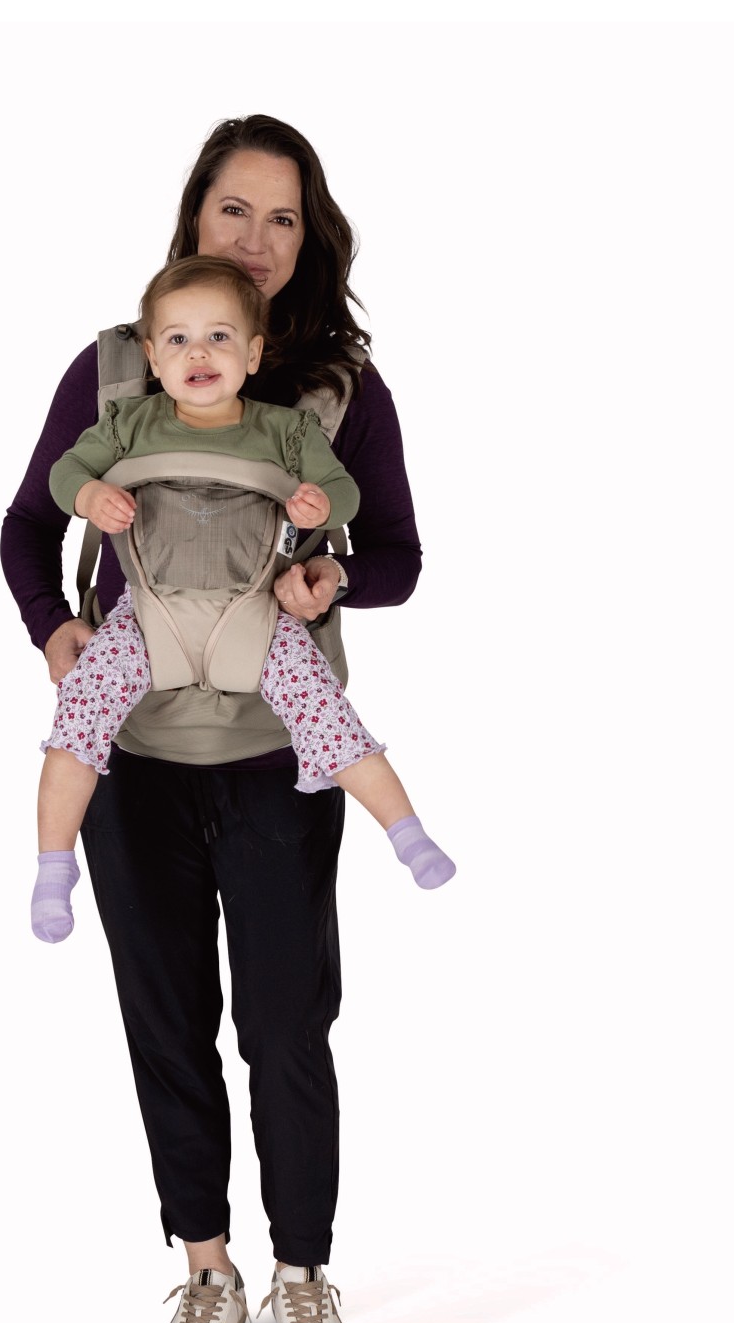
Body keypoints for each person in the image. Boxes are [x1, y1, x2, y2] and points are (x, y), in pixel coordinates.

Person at [1, 116, 429, 1323]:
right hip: (134, 756)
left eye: (283, 217)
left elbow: (397, 556)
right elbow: (28, 522)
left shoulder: (338, 393)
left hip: (275, 754)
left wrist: (328, 575)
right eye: (234, 209)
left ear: (311, 240)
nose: (255, 237)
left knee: (287, 1025)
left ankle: (302, 1276)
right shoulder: (118, 370)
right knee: (166, 1020)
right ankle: (206, 1271)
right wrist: (58, 630)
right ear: (196, 215)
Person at [32, 255, 454, 945]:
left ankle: (406, 833)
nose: (198, 353)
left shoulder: (285, 431)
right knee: (78, 716)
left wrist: (322, 502)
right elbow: (63, 473)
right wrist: (89, 495)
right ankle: (54, 868)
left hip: (255, 616)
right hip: (148, 618)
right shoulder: (128, 423)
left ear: (253, 354)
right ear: (152, 357)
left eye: (219, 338)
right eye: (178, 339)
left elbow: (344, 491)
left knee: (327, 715)